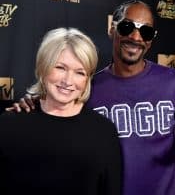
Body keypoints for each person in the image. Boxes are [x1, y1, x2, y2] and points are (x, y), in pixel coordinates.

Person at [6, 0, 175, 195]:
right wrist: (32, 105)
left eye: (146, 32)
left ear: (151, 39)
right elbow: (56, 116)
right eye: (127, 27)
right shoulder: (88, 89)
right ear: (112, 29)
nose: (136, 37)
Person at [0, 27, 122, 195]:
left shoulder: (104, 132)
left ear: (87, 79)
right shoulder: (9, 124)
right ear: (43, 67)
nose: (68, 81)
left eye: (79, 72)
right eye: (60, 68)